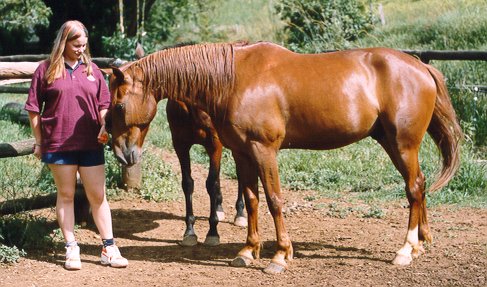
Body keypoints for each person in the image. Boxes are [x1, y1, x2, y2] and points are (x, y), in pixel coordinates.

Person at [25, 20, 128, 270]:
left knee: (98, 195)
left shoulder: (92, 70)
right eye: (76, 44)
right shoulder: (46, 70)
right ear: (64, 42)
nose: (81, 49)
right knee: (67, 194)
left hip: (91, 143)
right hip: (58, 143)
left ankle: (109, 247)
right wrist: (39, 141)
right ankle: (71, 248)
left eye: (84, 45)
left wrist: (105, 124)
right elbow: (33, 109)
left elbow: (104, 105)